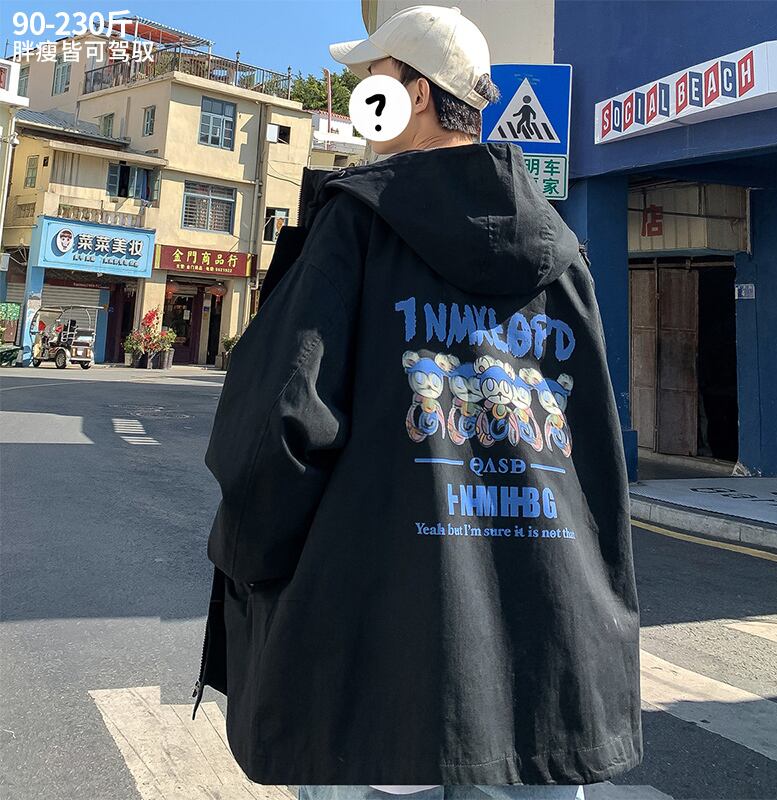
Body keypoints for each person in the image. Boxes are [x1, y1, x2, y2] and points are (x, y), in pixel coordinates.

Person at [195, 4, 642, 797]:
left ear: (419, 95)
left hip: (376, 680)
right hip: (543, 679)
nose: (362, 99)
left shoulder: (356, 226)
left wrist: (251, 568)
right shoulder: (562, 252)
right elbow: (595, 457)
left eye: (373, 81)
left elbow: (277, 428)